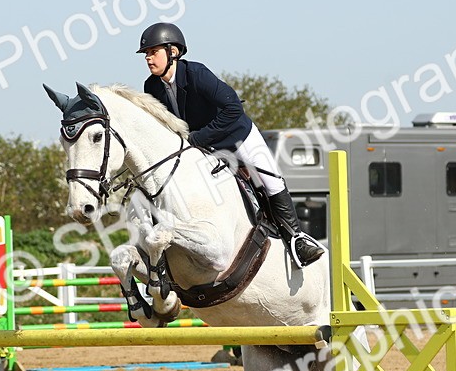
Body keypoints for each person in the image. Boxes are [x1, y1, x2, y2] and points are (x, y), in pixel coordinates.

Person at [136, 22, 325, 268]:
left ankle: (297, 239)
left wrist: (197, 138)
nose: (149, 59)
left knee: (271, 181)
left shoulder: (197, 74)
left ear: (173, 52)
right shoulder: (151, 86)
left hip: (237, 135)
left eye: (153, 52)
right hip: (202, 147)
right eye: (147, 54)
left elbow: (233, 109)